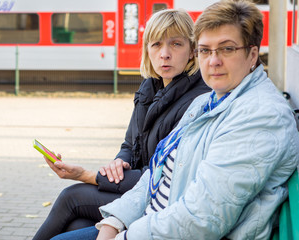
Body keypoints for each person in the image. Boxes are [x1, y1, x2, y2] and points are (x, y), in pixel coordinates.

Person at [50, 0, 299, 239]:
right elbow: (156, 172)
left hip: (171, 228)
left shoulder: (259, 115)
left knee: (71, 203)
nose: (214, 61)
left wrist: (121, 235)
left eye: (227, 48)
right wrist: (113, 222)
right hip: (157, 218)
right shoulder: (208, 101)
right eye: (206, 50)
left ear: (253, 54)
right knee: (77, 222)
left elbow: (203, 219)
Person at [32, 8, 210, 240]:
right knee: (77, 224)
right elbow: (130, 144)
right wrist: (119, 162)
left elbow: (164, 175)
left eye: (175, 44)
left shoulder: (197, 100)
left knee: (72, 197)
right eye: (156, 44)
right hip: (137, 190)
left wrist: (89, 175)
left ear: (192, 51)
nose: (164, 54)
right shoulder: (150, 88)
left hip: (162, 201)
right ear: (147, 49)